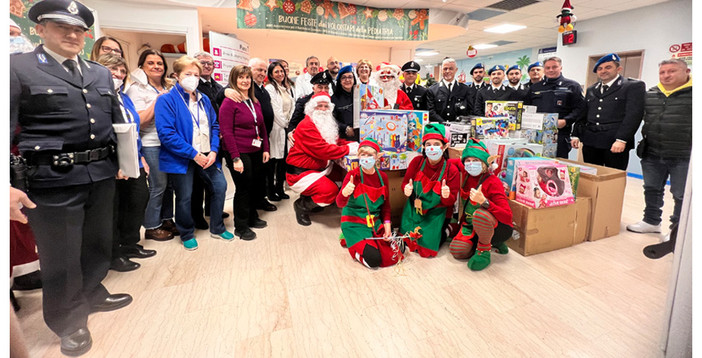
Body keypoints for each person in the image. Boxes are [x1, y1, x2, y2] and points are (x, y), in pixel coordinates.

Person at [11, 1, 132, 354]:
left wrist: (125, 160)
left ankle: (93, 293)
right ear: (41, 29)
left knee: (96, 242)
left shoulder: (98, 73)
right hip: (52, 177)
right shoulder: (19, 67)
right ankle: (68, 320)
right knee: (60, 253)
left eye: (79, 29)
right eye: (62, 26)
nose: (72, 34)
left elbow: (114, 121)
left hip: (100, 172)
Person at [154, 56, 233, 250]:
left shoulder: (204, 98)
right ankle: (187, 232)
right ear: (176, 76)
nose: (193, 78)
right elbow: (166, 133)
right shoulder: (166, 100)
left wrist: (214, 151)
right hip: (182, 157)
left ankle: (217, 227)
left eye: (196, 75)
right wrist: (193, 154)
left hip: (207, 154)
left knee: (220, 186)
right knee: (185, 196)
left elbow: (214, 125)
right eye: (188, 74)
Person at [97, 54, 157, 272]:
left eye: (122, 72)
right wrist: (117, 162)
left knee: (139, 198)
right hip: (113, 162)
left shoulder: (123, 97)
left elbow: (132, 128)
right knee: (115, 208)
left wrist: (139, 156)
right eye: (114, 70)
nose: (119, 75)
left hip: (134, 157)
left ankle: (130, 243)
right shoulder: (99, 97)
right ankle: (114, 254)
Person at [626, 58, 691, 241]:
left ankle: (676, 230)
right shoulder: (651, 94)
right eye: (662, 72)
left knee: (680, 194)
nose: (666, 75)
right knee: (652, 188)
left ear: (686, 72)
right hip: (653, 152)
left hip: (684, 155)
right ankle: (651, 221)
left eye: (672, 71)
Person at [286, 92, 359, 226]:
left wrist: (352, 145)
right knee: (330, 193)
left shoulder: (325, 124)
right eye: (320, 106)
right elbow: (323, 150)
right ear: (312, 108)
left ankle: (310, 195)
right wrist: (348, 150)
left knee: (343, 177)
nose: (323, 109)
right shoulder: (306, 125)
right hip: (301, 173)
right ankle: (301, 206)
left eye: (326, 106)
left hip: (319, 168)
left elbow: (334, 142)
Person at [126, 48, 177, 241]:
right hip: (151, 143)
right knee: (158, 185)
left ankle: (166, 220)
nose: (156, 66)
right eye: (151, 63)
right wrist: (158, 100)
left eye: (159, 63)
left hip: (169, 143)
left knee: (169, 186)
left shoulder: (169, 87)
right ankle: (151, 225)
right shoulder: (136, 89)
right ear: (142, 66)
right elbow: (140, 121)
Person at [220, 65, 270, 241]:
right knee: (243, 187)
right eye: (241, 77)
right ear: (234, 79)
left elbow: (262, 126)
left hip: (256, 149)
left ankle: (252, 216)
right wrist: (235, 158)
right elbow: (226, 133)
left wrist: (266, 148)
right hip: (238, 150)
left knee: (255, 185)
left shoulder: (254, 101)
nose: (245, 81)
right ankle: (241, 226)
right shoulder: (229, 102)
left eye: (247, 77)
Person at [571, 53, 646, 170]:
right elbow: (584, 113)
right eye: (600, 69)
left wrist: (622, 139)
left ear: (618, 69)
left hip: (614, 142)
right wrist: (575, 134)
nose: (603, 71)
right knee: (591, 175)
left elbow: (633, 115)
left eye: (608, 67)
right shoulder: (592, 89)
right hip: (591, 141)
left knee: (613, 178)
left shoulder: (632, 86)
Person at [337, 138, 404, 269]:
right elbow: (339, 203)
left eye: (370, 155)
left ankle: (361, 241)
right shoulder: (352, 175)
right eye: (363, 154)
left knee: (398, 250)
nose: (366, 158)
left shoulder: (383, 177)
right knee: (374, 260)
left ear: (378, 156)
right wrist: (344, 193)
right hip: (353, 223)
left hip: (374, 222)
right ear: (358, 156)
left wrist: (388, 227)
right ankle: (351, 244)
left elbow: (386, 207)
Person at [449, 139, 513, 271]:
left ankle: (484, 251)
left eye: (476, 161)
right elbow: (449, 162)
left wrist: (484, 202)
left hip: (496, 226)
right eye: (468, 160)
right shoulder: (467, 173)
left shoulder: (493, 182)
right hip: (470, 224)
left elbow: (507, 216)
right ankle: (488, 242)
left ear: (484, 163)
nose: (471, 164)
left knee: (480, 214)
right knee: (457, 251)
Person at [400, 124, 459, 258]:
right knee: (406, 241)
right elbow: (405, 183)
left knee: (427, 251)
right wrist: (406, 189)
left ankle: (449, 228)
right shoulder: (417, 162)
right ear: (424, 147)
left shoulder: (451, 170)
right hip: (414, 209)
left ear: (444, 147)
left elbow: (451, 200)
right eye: (428, 144)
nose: (432, 148)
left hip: (436, 213)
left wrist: (446, 195)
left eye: (437, 144)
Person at [190, 51, 228, 229]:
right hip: (198, 142)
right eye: (203, 62)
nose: (207, 65)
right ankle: (196, 215)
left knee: (214, 178)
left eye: (210, 63)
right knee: (198, 182)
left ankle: (212, 210)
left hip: (216, 139)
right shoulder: (192, 87)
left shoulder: (218, 87)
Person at [525, 56, 584, 158]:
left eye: (554, 67)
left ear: (560, 68)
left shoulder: (572, 86)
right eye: (547, 68)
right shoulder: (535, 87)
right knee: (533, 162)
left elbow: (580, 109)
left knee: (557, 165)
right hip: (536, 134)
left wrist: (566, 121)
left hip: (560, 134)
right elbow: (527, 108)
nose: (551, 70)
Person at [265, 61, 295, 201]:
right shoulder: (270, 88)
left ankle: (280, 189)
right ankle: (271, 191)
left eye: (281, 71)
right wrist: (286, 124)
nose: (280, 74)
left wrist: (290, 125)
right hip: (276, 129)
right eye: (276, 72)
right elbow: (275, 110)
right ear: (271, 74)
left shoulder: (287, 88)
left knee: (283, 161)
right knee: (273, 162)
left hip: (287, 128)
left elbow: (292, 107)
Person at [426, 58, 471, 123]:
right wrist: (445, 124)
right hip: (440, 127)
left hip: (459, 127)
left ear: (456, 70)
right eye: (445, 69)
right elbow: (431, 111)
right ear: (441, 70)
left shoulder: (465, 89)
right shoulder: (432, 90)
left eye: (451, 69)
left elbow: (469, 110)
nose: (447, 71)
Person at [332, 65, 358, 141]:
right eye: (344, 77)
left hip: (362, 134)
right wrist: (345, 128)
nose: (347, 80)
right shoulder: (334, 99)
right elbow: (332, 119)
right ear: (340, 81)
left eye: (350, 77)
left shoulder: (360, 94)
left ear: (354, 79)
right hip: (344, 137)